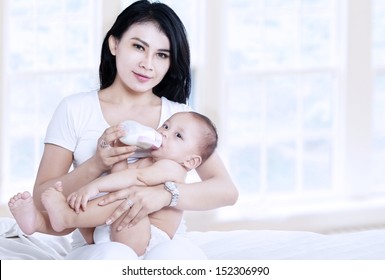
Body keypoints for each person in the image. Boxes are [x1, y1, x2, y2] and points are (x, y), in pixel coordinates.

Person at [8, 0, 238, 260]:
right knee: (114, 258)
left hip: (165, 242)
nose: (148, 64)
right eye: (139, 47)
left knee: (176, 261)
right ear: (114, 44)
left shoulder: (178, 118)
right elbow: (41, 199)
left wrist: (163, 196)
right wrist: (96, 163)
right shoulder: (75, 109)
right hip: (98, 244)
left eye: (162, 55)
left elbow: (226, 191)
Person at [11, 111, 218, 258]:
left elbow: (136, 179)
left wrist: (96, 187)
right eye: (166, 125)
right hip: (110, 230)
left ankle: (63, 216)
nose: (164, 132)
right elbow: (121, 177)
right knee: (106, 197)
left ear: (191, 161)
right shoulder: (147, 160)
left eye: (178, 135)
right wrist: (120, 150)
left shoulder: (172, 168)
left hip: (144, 239)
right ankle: (39, 222)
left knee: (126, 198)